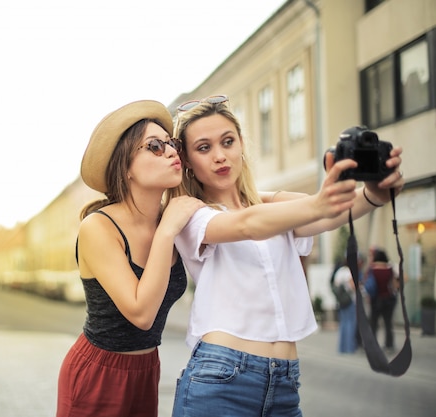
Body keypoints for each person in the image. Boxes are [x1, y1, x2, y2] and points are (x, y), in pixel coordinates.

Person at [168, 95, 404, 416]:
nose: (220, 156)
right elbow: (248, 225)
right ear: (188, 162)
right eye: (204, 147)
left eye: (228, 141)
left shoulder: (272, 209)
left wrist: (375, 194)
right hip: (221, 378)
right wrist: (316, 202)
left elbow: (326, 216)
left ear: (241, 146)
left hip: (285, 383)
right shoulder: (192, 215)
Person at [56, 100, 205, 417]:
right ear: (125, 166)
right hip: (98, 374)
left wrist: (319, 204)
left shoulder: (171, 218)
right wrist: (166, 233)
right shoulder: (99, 226)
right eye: (154, 146)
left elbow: (244, 215)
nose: (170, 152)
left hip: (146, 371)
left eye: (171, 143)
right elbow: (140, 313)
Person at [367, 247, 399, 351]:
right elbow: (394, 285)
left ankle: (373, 345)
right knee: (388, 323)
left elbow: (367, 284)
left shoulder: (372, 269)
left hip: (375, 299)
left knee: (374, 323)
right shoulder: (389, 269)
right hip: (388, 299)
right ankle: (389, 344)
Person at [331, 256, 359, 354]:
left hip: (341, 301)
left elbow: (335, 285)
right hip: (350, 300)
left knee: (343, 323)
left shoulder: (339, 272)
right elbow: (352, 285)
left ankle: (342, 347)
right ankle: (350, 347)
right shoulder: (348, 272)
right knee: (351, 323)